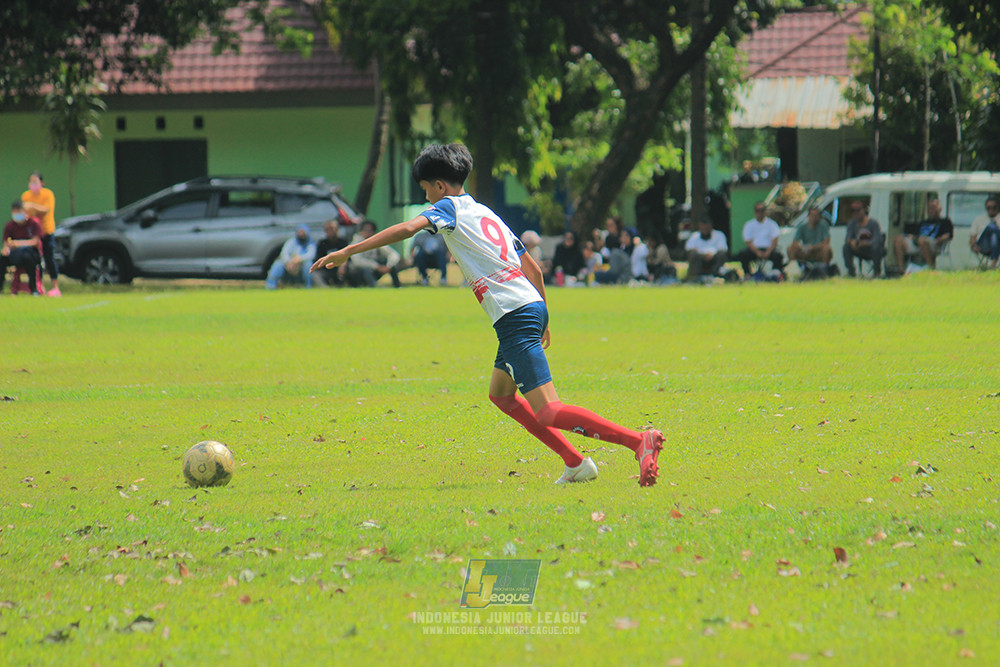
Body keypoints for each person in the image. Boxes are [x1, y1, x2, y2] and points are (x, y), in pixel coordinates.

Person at [311, 143, 664, 486]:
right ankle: (575, 463)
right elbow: (534, 270)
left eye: (425, 189)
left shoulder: (447, 207)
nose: (426, 198)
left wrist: (349, 251)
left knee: (548, 410)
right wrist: (543, 317)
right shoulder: (485, 213)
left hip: (514, 314)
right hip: (530, 306)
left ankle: (638, 441)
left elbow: (406, 229)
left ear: (439, 186)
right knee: (502, 396)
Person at [21, 171, 60, 296]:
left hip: (46, 231)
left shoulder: (48, 194)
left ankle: (55, 287)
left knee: (49, 258)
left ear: (41, 183)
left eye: (35, 181)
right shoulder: (26, 195)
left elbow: (46, 210)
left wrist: (33, 206)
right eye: (31, 181)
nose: (33, 184)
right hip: (33, 233)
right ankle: (38, 286)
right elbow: (25, 213)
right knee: (36, 260)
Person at [893, 198, 953, 271]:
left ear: (939, 209)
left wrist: (940, 239)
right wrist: (911, 236)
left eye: (934, 208)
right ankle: (901, 269)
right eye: (930, 208)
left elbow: (948, 235)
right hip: (919, 242)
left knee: (922, 240)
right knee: (898, 239)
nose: (931, 211)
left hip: (934, 243)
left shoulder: (945, 221)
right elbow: (915, 234)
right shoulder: (923, 222)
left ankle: (931, 268)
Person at [1, 200, 44, 295]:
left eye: (19, 211)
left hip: (31, 253)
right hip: (15, 254)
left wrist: (19, 243)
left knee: (27, 257)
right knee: (3, 259)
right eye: (15, 212)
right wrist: (6, 249)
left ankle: (34, 289)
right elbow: (6, 242)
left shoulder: (33, 224)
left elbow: (35, 241)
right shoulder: (10, 225)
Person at [345, 220, 402, 288]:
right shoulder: (356, 242)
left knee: (393, 266)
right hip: (359, 271)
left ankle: (397, 286)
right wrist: (377, 266)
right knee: (366, 269)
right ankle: (374, 286)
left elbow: (393, 254)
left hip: (374, 269)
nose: (368, 233)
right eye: (365, 230)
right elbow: (358, 261)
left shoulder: (376, 241)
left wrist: (389, 265)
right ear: (361, 231)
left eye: (370, 231)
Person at [736, 201, 784, 278]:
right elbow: (748, 241)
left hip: (769, 249)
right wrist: (757, 252)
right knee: (743, 255)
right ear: (754, 212)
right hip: (754, 250)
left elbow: (775, 240)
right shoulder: (749, 224)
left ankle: (775, 275)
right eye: (757, 211)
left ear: (766, 211)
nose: (760, 213)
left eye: (762, 210)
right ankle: (748, 275)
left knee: (778, 255)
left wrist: (768, 252)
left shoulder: (772, 224)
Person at [265, 225, 317, 289]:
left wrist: (299, 259)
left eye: (303, 232)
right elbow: (284, 253)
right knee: (278, 264)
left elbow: (311, 255)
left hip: (302, 264)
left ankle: (308, 286)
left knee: (308, 265)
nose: (301, 234)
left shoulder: (310, 243)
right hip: (289, 264)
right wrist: (289, 261)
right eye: (299, 232)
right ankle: (270, 285)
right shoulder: (291, 242)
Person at [843, 201, 884, 277]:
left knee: (876, 248)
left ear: (864, 210)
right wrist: (852, 242)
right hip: (859, 248)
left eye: (858, 210)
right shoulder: (852, 223)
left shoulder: (873, 223)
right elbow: (848, 238)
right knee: (846, 248)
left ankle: (877, 272)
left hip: (871, 249)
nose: (856, 213)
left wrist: (866, 243)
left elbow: (878, 239)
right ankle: (851, 272)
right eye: (853, 211)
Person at [313, 219, 348, 287]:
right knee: (316, 275)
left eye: (333, 229)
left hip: (340, 267)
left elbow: (348, 256)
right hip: (327, 269)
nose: (331, 231)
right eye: (328, 229)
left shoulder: (343, 242)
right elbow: (318, 259)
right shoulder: (322, 243)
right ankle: (325, 289)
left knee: (353, 269)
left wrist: (343, 266)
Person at [969, 196, 999, 269]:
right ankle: (994, 262)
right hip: (983, 245)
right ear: (986, 208)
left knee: (994, 236)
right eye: (989, 208)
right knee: (991, 227)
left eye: (994, 207)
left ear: (997, 207)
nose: (991, 210)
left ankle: (993, 263)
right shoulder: (979, 219)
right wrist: (973, 245)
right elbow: (972, 237)